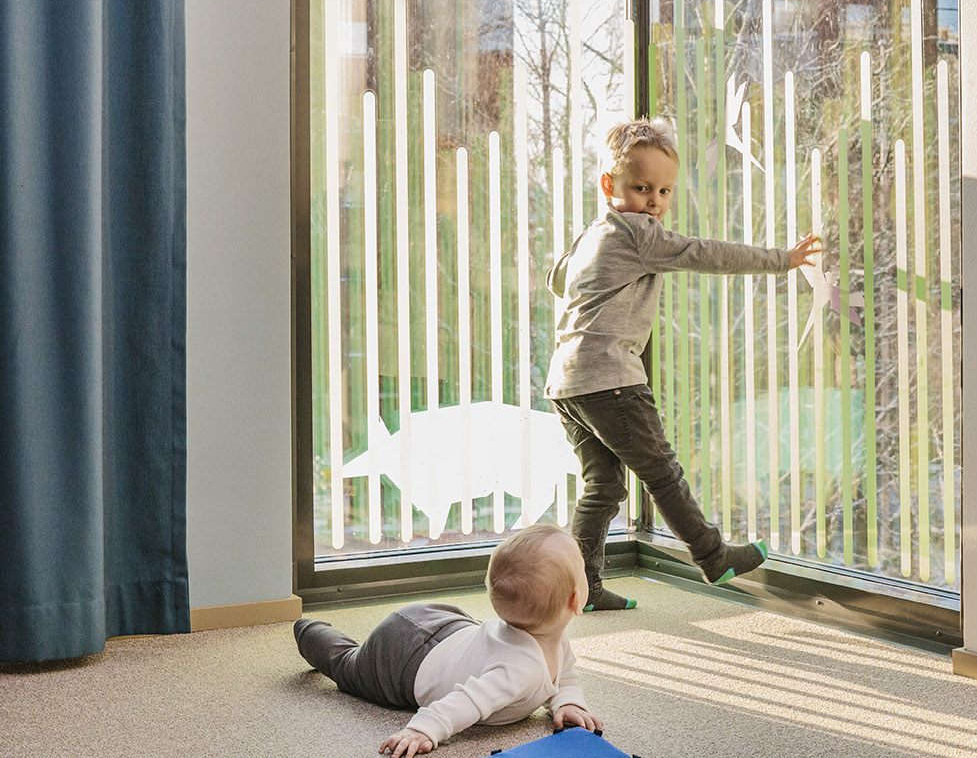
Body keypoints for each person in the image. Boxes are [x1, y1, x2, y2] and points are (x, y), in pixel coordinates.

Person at [546, 117, 821, 611]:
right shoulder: (639, 233)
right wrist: (781, 259)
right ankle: (713, 555)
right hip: (610, 378)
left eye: (664, 191)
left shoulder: (593, 233)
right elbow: (705, 253)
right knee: (662, 473)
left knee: (603, 486)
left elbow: (556, 279)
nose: (655, 201)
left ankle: (580, 589)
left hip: (567, 382)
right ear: (610, 185)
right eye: (642, 188)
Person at [293, 523, 601, 758]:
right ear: (576, 600)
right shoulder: (519, 670)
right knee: (348, 666)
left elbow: (564, 677)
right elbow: (466, 701)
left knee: (475, 638)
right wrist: (423, 730)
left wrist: (568, 702)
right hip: (402, 660)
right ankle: (307, 629)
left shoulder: (555, 640)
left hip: (444, 622)